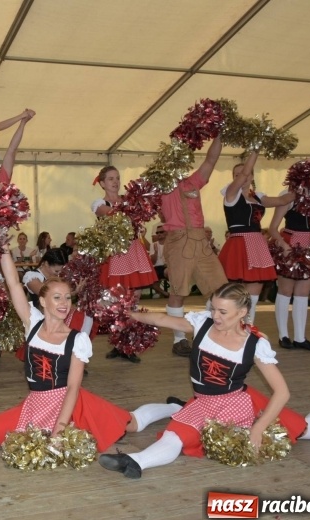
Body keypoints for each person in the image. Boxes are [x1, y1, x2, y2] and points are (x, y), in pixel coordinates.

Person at [0, 251, 181, 464]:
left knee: (132, 424)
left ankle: (171, 407)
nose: (64, 304)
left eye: (67, 298)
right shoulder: (33, 325)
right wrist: (5, 250)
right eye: (57, 298)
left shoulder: (77, 341)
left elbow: (74, 389)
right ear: (42, 301)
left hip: (74, 406)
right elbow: (13, 285)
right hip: (36, 403)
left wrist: (59, 433)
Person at [98, 282, 310, 479]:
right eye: (213, 309)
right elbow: (162, 319)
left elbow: (282, 392)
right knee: (175, 436)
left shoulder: (254, 344)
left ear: (243, 312)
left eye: (223, 312)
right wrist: (131, 314)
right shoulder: (202, 324)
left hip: (239, 404)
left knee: (308, 432)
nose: (216, 316)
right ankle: (134, 462)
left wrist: (258, 428)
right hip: (203, 402)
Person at [160, 136, 227, 357]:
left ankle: (216, 334)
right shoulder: (160, 185)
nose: (178, 165)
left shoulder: (193, 182)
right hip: (178, 240)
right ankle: (180, 340)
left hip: (201, 240)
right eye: (173, 160)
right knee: (179, 290)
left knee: (220, 289)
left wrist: (220, 137)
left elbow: (211, 159)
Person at [218, 152, 295, 325]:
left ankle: (247, 326)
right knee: (229, 288)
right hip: (238, 242)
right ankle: (217, 322)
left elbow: (283, 199)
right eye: (236, 175)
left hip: (257, 243)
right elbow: (244, 175)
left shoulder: (258, 196)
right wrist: (255, 150)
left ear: (252, 176)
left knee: (255, 288)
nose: (241, 176)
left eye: (244, 173)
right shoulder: (231, 194)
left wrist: (302, 184)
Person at [92, 165, 157, 362]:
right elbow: (113, 216)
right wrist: (133, 207)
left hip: (133, 250)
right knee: (117, 300)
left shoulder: (129, 201)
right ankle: (118, 342)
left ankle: (128, 345)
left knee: (134, 297)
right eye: (110, 178)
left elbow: (140, 217)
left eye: (117, 178)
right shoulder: (99, 203)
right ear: (102, 183)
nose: (115, 181)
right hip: (116, 253)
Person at [268, 184, 310, 352]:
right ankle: (283, 335)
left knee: (303, 294)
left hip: (309, 247)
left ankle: (300, 337)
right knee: (285, 291)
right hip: (290, 245)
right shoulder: (288, 197)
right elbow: (273, 227)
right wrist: (283, 245)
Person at [148, 225, 169, 298]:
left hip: (168, 267)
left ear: (166, 233)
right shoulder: (153, 245)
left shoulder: (171, 244)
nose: (159, 234)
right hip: (156, 267)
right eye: (157, 233)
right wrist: (156, 253)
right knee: (149, 279)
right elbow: (153, 262)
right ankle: (165, 293)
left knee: (169, 272)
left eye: (161, 232)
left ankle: (175, 292)